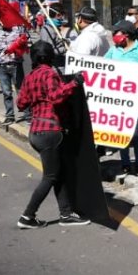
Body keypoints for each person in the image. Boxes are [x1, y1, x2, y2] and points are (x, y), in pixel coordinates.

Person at [15, 41, 89, 229]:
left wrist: (36, 98)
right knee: (50, 176)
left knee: (58, 173)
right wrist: (74, 83)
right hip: (51, 131)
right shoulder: (50, 74)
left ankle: (66, 214)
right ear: (50, 56)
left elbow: (21, 104)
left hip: (35, 132)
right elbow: (56, 97)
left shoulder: (30, 76)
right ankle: (27, 216)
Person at [106, 20, 138, 176]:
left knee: (137, 131)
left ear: (125, 35)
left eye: (116, 33)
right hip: (117, 96)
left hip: (136, 96)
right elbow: (100, 66)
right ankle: (125, 163)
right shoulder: (114, 51)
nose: (114, 36)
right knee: (121, 130)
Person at [0, 17, 31, 124]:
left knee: (21, 90)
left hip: (15, 64)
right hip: (1, 66)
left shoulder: (19, 29)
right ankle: (10, 115)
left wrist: (24, 41)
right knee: (6, 92)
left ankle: (27, 114)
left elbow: (28, 43)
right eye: (1, 19)